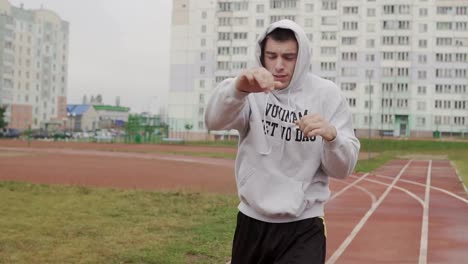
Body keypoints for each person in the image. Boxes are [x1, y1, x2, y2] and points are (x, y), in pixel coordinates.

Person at [205, 19, 360, 264]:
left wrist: (332, 137)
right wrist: (237, 90)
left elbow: (343, 169)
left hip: (304, 225)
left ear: (303, 57)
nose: (279, 65)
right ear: (262, 55)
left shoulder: (327, 95)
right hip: (252, 222)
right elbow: (213, 122)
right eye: (272, 56)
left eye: (289, 57)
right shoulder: (250, 90)